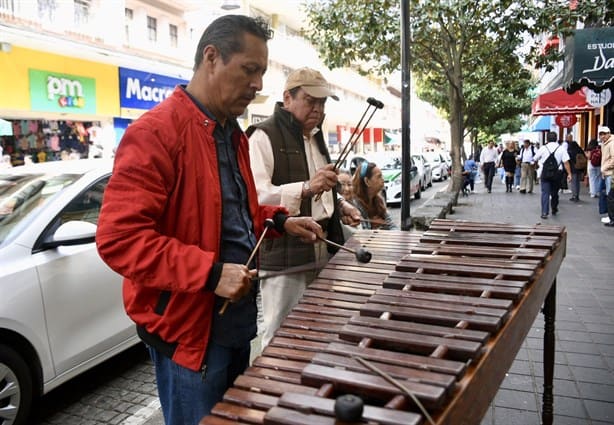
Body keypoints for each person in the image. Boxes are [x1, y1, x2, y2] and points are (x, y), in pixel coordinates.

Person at [95, 15, 325, 424]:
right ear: (212, 58)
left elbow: (231, 213)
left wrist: (279, 220)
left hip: (236, 322)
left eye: (262, 73)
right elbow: (119, 239)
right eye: (249, 70)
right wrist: (210, 273)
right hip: (190, 334)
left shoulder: (231, 132)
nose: (257, 84)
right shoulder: (156, 133)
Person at [248, 67, 362, 350]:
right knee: (281, 331)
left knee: (319, 326)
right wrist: (307, 188)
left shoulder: (316, 136)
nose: (318, 109)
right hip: (284, 249)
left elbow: (320, 188)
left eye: (322, 103)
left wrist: (340, 203)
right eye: (311, 100)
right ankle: (273, 387)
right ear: (288, 98)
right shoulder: (263, 136)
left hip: (323, 243)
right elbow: (257, 197)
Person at [533, 131, 572, 219]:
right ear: (556, 138)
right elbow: (566, 162)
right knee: (554, 192)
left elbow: (535, 158)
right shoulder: (561, 148)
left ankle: (544, 212)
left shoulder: (543, 148)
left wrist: (536, 166)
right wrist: (569, 174)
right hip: (557, 173)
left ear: (547, 139)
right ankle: (554, 208)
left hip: (545, 173)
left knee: (545, 193)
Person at [351, 161, 398, 230]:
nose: (383, 180)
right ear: (367, 181)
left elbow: (391, 225)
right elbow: (363, 233)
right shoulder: (355, 204)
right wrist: (376, 227)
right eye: (379, 177)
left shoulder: (378, 200)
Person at [599, 125, 614, 227]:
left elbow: (613, 159)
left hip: (610, 173)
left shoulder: (612, 143)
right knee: (607, 195)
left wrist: (605, 168)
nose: (602, 136)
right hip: (606, 173)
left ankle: (611, 217)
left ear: (609, 134)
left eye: (604, 134)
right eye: (601, 134)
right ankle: (609, 215)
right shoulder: (604, 144)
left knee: (610, 196)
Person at [567, 136, 587, 202]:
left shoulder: (570, 151)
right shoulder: (580, 149)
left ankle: (574, 195)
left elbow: (569, 160)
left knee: (574, 182)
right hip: (580, 168)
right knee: (577, 182)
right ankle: (577, 195)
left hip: (573, 168)